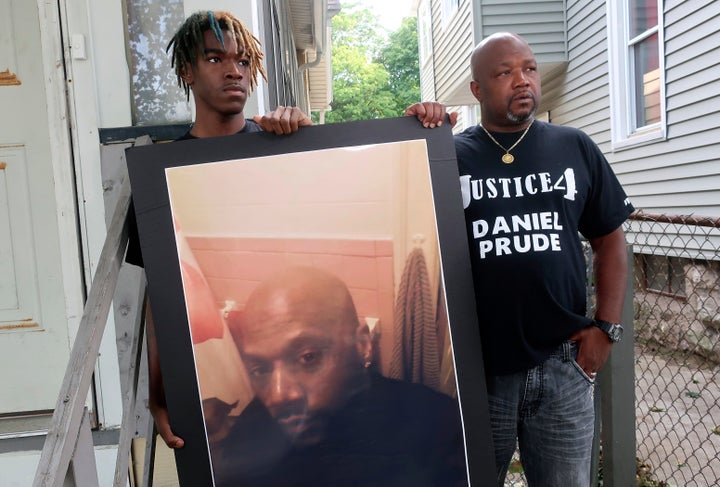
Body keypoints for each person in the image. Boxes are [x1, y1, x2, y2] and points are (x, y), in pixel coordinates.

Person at [406, 32, 634, 486]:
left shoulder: (574, 146)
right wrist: (416, 132)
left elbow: (611, 240)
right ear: (477, 88)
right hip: (478, 369)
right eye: (504, 72)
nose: (522, 80)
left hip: (563, 364)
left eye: (528, 68)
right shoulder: (449, 155)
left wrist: (605, 330)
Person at [125, 10, 313, 449]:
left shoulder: (281, 148)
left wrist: (307, 144)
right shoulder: (159, 176)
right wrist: (158, 396)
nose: (234, 71)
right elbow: (162, 296)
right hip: (219, 372)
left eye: (243, 60)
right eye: (214, 59)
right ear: (187, 71)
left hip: (292, 357)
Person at [213, 266, 467, 487]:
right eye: (261, 369)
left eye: (308, 357)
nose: (277, 395)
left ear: (363, 343)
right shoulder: (248, 437)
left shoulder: (441, 429)